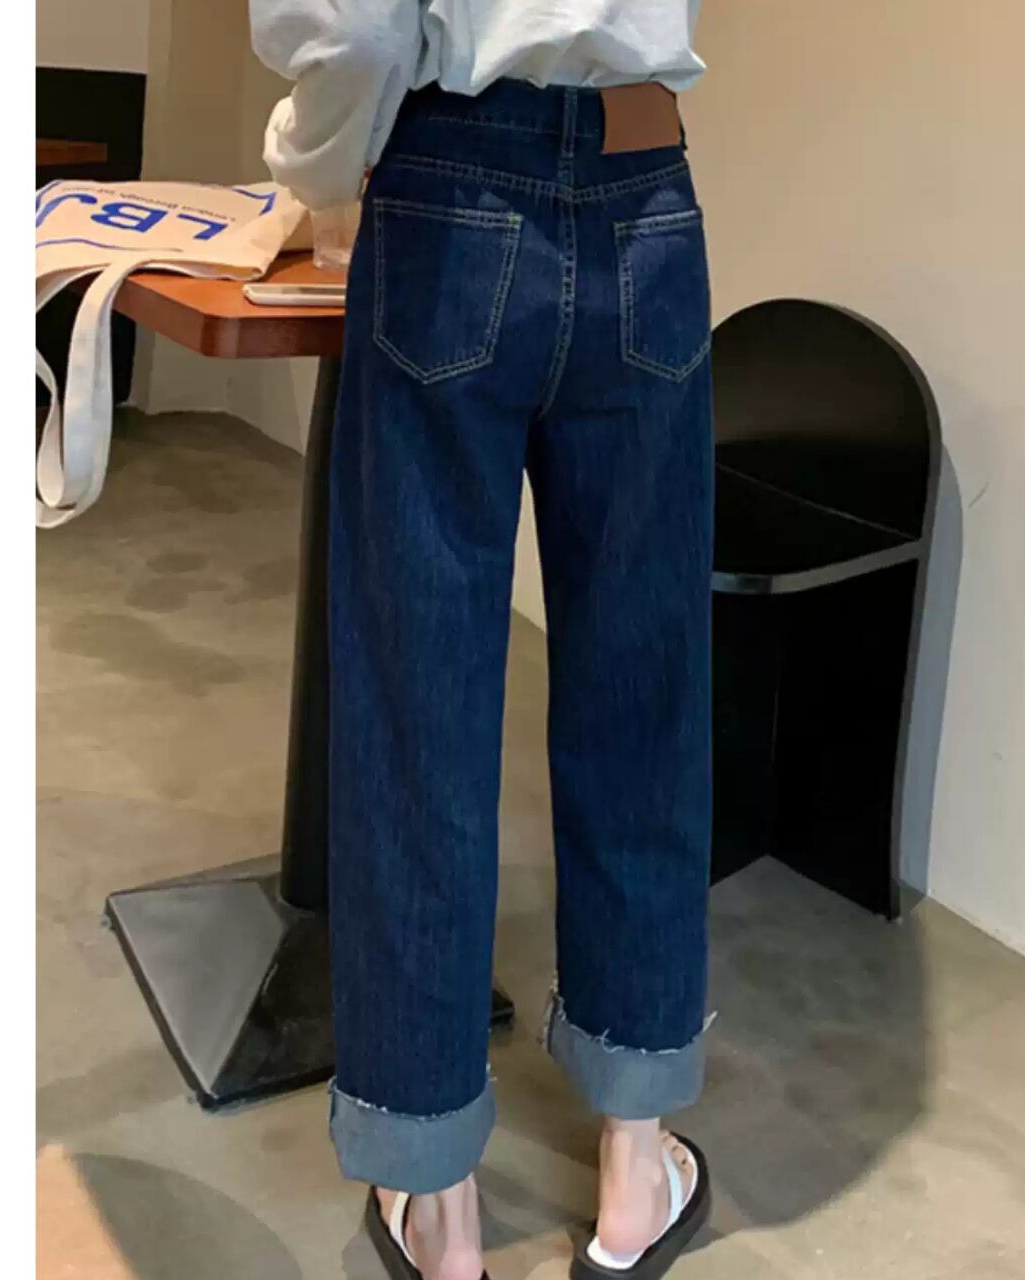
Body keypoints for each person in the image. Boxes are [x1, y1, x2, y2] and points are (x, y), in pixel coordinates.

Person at [251, 4, 713, 1278]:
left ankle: (439, 1202)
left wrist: (312, 167)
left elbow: (350, 25)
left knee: (419, 711)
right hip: (648, 184)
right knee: (642, 693)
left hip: (449, 183)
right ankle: (634, 1169)